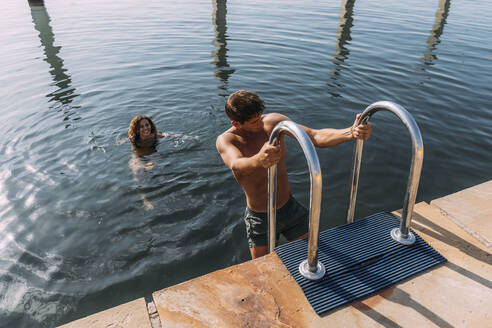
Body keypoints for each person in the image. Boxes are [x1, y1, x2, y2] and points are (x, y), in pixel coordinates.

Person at [216, 90, 372, 259]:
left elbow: (314, 136)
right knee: (263, 268)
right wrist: (259, 159)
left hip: (289, 208)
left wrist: (350, 132)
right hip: (260, 217)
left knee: (315, 254)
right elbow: (237, 165)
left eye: (260, 117)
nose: (260, 124)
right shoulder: (227, 140)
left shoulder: (275, 123)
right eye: (254, 122)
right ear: (236, 123)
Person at [128, 115, 166, 210]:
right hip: (138, 157)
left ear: (151, 125)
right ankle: (144, 198)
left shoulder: (155, 136)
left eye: (147, 125)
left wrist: (190, 137)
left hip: (153, 155)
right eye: (142, 126)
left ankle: (159, 185)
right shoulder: (134, 139)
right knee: (137, 171)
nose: (145, 128)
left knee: (151, 168)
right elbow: (123, 140)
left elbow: (172, 135)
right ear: (137, 130)